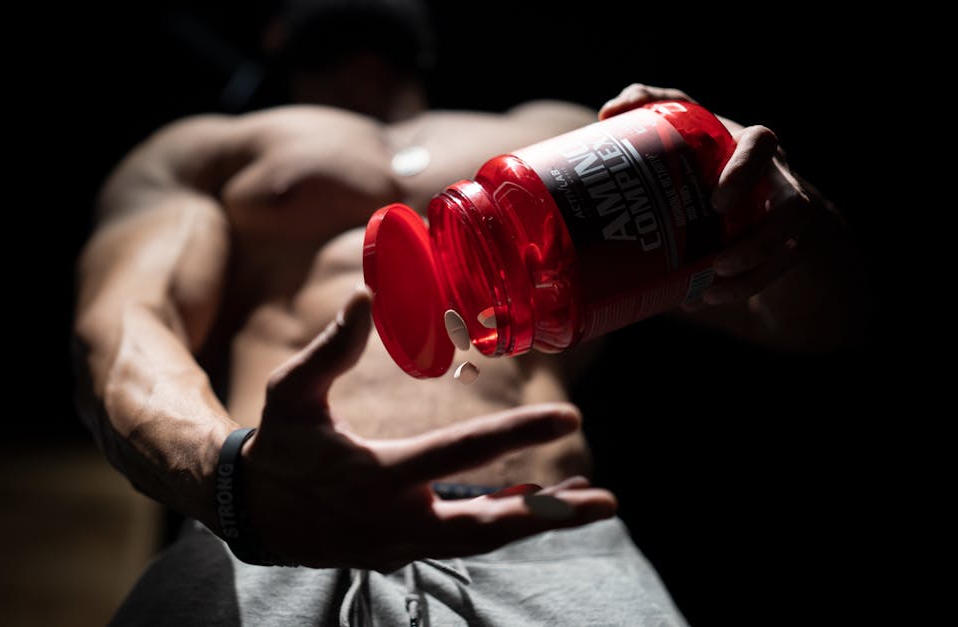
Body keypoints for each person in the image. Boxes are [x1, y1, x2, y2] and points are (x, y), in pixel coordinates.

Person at [72, 2, 865, 624]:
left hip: (541, 535)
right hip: (263, 531)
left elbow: (813, 319)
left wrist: (789, 222)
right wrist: (231, 483)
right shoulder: (213, 149)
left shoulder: (556, 126)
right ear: (276, 30)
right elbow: (124, 328)